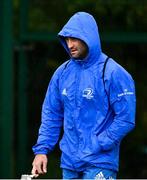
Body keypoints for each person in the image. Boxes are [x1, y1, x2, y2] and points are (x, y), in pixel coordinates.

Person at [31, 12, 136, 179]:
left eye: (74, 39)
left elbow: (126, 118)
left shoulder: (113, 72)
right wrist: (42, 151)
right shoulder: (62, 73)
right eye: (66, 39)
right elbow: (51, 114)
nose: (70, 44)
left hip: (100, 162)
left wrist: (100, 143)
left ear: (88, 37)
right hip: (69, 164)